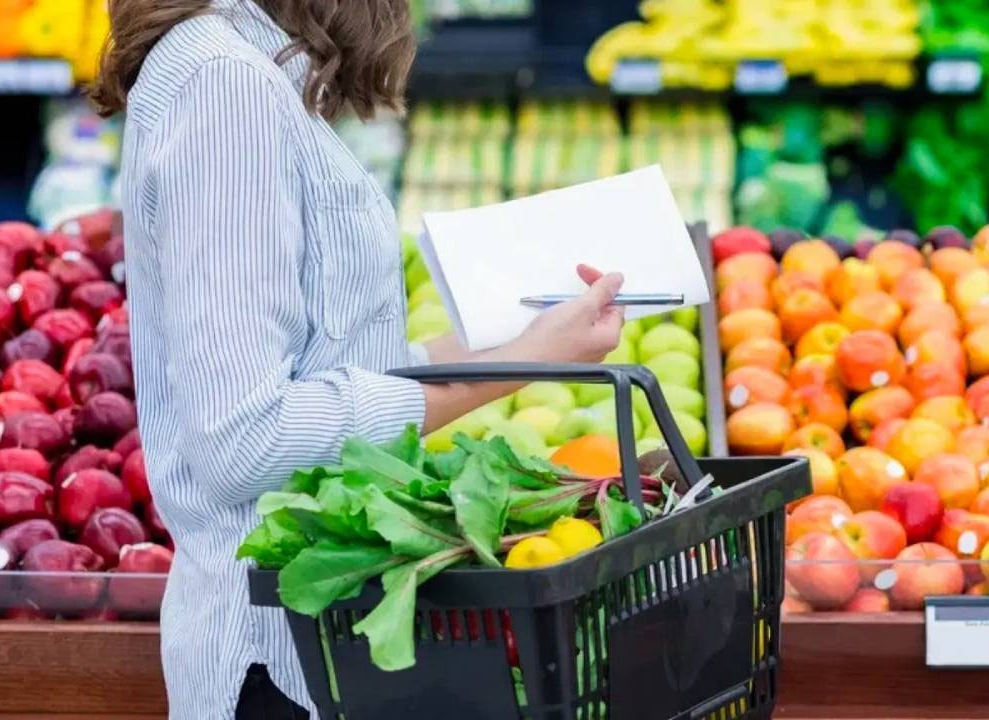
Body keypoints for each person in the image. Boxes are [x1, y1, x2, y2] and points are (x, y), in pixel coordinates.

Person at [92, 1, 625, 718]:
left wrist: (527, 342)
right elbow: (243, 437)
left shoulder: (252, 71)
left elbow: (329, 366)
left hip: (326, 649)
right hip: (278, 665)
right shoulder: (223, 83)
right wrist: (517, 364)